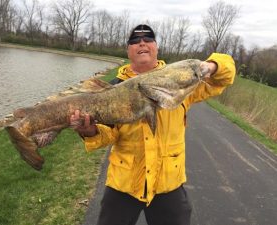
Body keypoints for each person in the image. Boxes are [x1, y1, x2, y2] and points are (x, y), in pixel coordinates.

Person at [70, 24, 236, 225]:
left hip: (168, 184)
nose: (142, 43)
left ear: (156, 47)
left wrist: (210, 66)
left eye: (148, 39)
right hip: (123, 183)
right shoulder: (113, 87)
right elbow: (110, 135)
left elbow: (224, 75)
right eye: (135, 40)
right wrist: (90, 132)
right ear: (128, 50)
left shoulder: (180, 80)